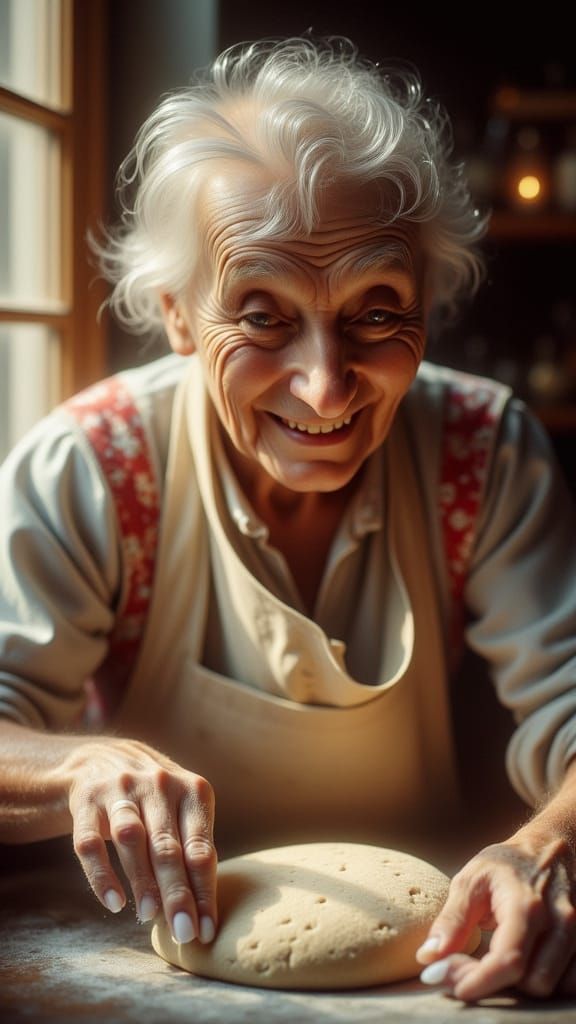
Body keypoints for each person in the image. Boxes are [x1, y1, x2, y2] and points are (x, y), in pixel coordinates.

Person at [1, 36, 576, 1003]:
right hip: (122, 958)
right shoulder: (95, 467)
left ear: (429, 304)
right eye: (262, 315)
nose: (324, 384)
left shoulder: (485, 450)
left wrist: (551, 844)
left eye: (376, 309)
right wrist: (84, 768)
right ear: (180, 316)